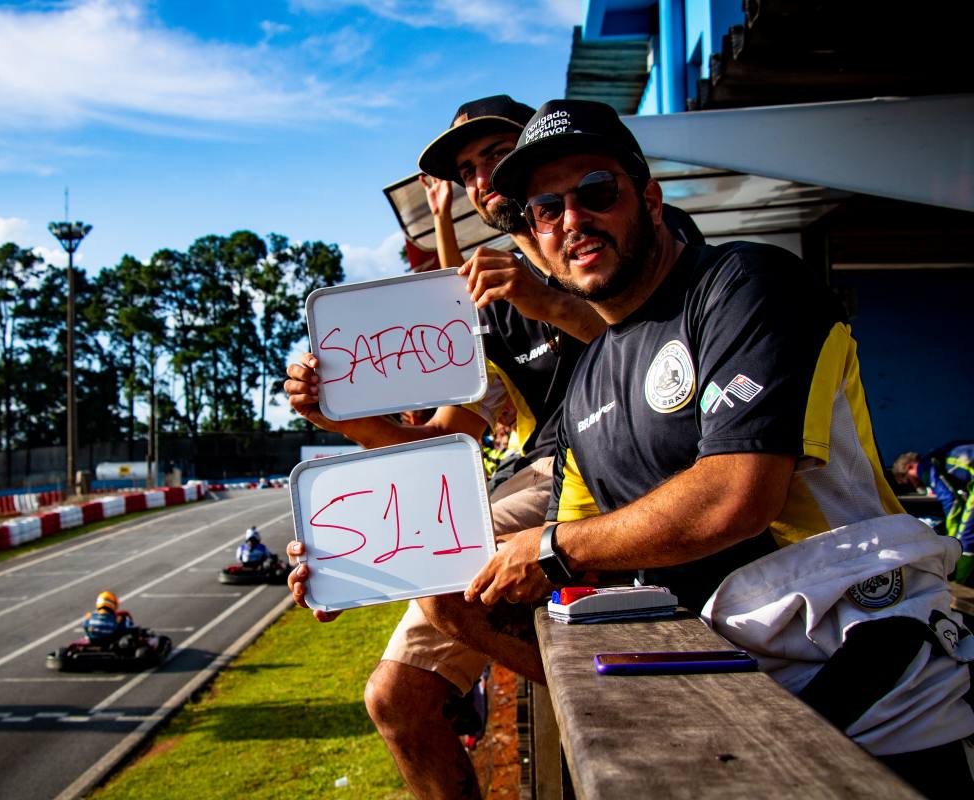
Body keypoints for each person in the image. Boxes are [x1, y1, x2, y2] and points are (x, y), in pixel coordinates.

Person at [457, 98, 974, 796]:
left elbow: (736, 495)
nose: (572, 221)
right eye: (546, 210)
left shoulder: (744, 284)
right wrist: (370, 565)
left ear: (649, 197)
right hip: (724, 676)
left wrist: (550, 547)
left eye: (596, 192)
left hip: (864, 660)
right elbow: (576, 549)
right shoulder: (586, 385)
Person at [286, 95, 703, 798]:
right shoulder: (493, 301)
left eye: (496, 158)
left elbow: (668, 363)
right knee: (395, 699)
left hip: (604, 483)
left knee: (462, 593)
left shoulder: (620, 238)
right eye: (470, 171)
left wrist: (553, 306)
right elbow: (445, 437)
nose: (483, 180)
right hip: (536, 482)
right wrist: (341, 426)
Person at [894, 444, 974, 583]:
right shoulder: (942, 456)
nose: (914, 486)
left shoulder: (926, 467)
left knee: (966, 540)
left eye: (908, 481)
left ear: (909, 467)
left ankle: (959, 583)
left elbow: (952, 503)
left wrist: (953, 540)